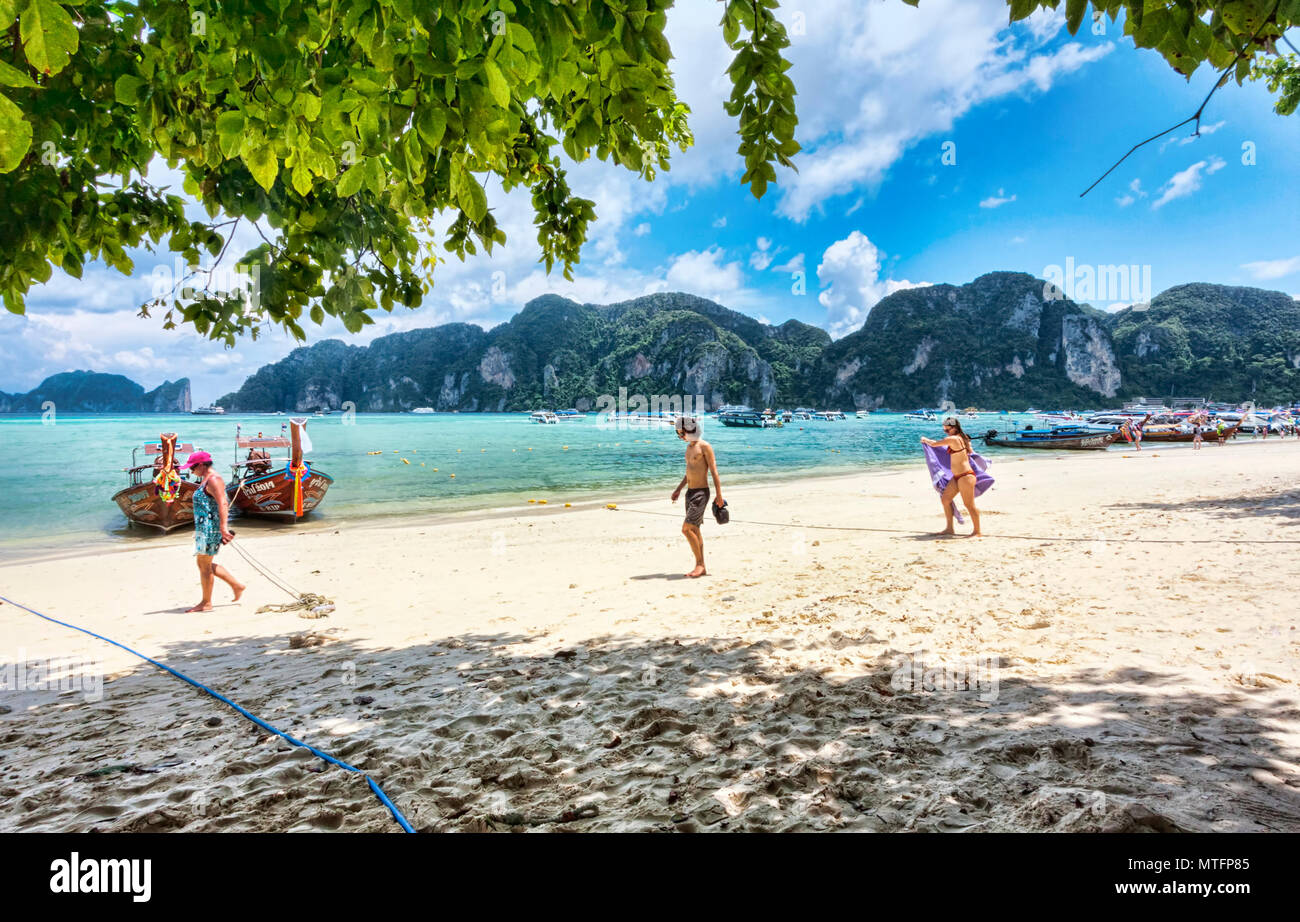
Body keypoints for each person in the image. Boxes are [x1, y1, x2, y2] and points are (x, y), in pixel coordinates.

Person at [180, 450, 243, 612]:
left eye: (192, 468)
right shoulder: (205, 479)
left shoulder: (214, 479)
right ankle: (236, 585)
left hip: (211, 528)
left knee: (204, 565)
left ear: (201, 465)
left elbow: (223, 503)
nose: (190, 471)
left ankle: (207, 603)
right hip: (204, 528)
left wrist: (223, 528)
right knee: (203, 563)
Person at [670, 416, 723, 578]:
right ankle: (701, 566)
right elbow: (689, 472)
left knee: (686, 529)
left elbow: (714, 471)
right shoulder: (688, 448)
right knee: (695, 529)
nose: (681, 437)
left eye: (682, 433)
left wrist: (719, 495)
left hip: (701, 493)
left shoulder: (705, 446)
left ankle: (699, 564)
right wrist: (679, 489)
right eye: (679, 435)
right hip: (690, 492)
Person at [921, 417, 982, 537]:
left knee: (969, 504)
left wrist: (924, 439)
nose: (946, 432)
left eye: (947, 430)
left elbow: (934, 444)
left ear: (954, 428)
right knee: (945, 499)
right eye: (944, 430)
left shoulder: (954, 439)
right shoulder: (962, 438)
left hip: (965, 476)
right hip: (957, 476)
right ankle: (949, 528)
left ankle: (977, 531)